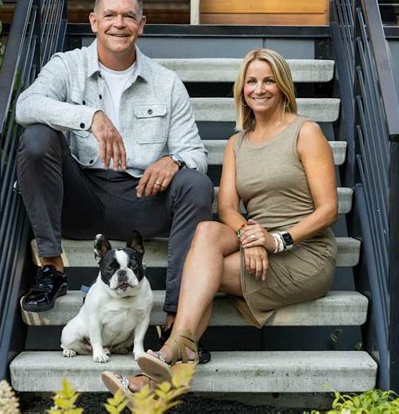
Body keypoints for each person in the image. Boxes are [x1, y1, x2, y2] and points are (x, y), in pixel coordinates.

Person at [102, 48, 338, 398]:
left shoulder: (306, 132)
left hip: (303, 253)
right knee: (207, 231)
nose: (259, 89)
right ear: (242, 89)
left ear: (283, 86)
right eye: (251, 81)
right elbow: (227, 208)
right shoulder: (236, 143)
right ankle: (173, 359)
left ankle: (165, 357)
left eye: (269, 81)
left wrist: (276, 240)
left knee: (202, 271)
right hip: (257, 245)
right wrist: (251, 237)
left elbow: (329, 210)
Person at [15, 0, 214, 360]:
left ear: (142, 24)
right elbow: (26, 105)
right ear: (94, 21)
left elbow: (196, 152)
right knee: (38, 138)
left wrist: (174, 160)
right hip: (82, 198)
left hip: (143, 199)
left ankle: (177, 319)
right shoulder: (67, 66)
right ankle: (52, 269)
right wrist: (89, 116)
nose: (118, 23)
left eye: (128, 16)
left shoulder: (167, 82)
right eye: (109, 15)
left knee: (196, 183)